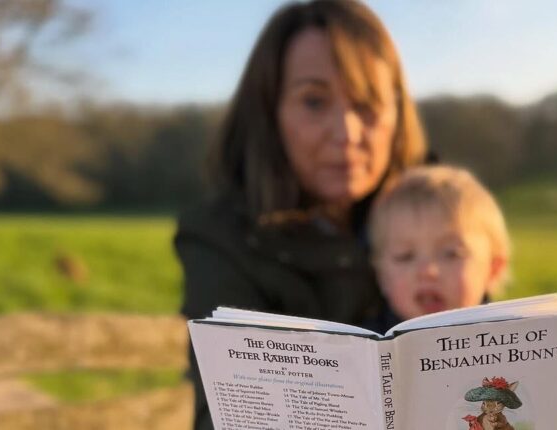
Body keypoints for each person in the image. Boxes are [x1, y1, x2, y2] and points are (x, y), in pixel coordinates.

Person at [174, 1, 426, 429]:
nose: (346, 133)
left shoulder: (441, 209)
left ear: (397, 112)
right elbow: (221, 415)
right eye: (314, 101)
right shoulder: (220, 236)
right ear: (269, 114)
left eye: (367, 103)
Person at [367, 165, 510, 325]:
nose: (428, 271)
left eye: (452, 254)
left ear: (493, 269)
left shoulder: (514, 340)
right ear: (381, 275)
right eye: (405, 256)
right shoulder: (361, 344)